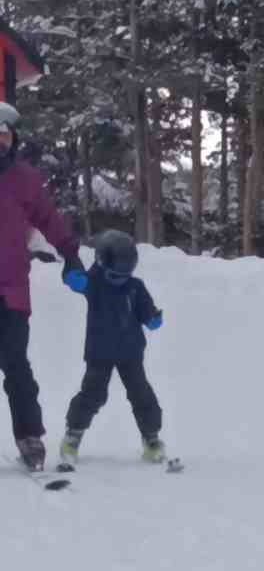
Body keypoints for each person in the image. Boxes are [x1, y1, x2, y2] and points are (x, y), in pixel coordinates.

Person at [0, 102, 86, 471]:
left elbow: (49, 218)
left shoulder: (25, 179)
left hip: (12, 292)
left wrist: (70, 253)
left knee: (16, 366)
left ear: (13, 139)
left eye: (4, 135)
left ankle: (29, 436)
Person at [60, 231, 166, 468]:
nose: (121, 277)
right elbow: (76, 280)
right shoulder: (94, 283)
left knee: (141, 393)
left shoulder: (135, 287)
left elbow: (146, 312)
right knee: (93, 393)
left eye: (126, 271)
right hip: (100, 351)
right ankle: (73, 435)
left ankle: (151, 438)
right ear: (102, 262)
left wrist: (152, 319)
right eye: (116, 271)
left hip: (130, 352)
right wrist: (72, 270)